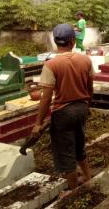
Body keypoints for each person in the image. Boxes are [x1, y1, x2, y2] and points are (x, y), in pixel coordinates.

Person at [32, 24, 94, 193]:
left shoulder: (51, 65)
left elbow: (46, 98)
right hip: (81, 108)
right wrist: (87, 105)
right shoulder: (85, 60)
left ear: (55, 42)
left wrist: (38, 123)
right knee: (79, 143)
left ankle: (74, 192)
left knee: (65, 152)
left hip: (63, 113)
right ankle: (88, 178)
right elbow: (90, 88)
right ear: (73, 41)